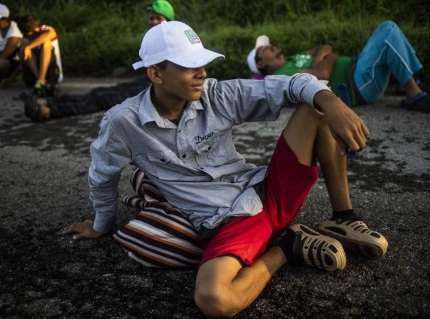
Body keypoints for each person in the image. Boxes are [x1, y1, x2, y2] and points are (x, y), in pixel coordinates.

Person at [63, 21, 388, 317]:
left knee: (313, 106)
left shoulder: (216, 94)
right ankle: (287, 247)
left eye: (201, 62)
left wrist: (331, 103)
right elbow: (102, 174)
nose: (201, 72)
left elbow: (290, 85)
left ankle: (343, 217)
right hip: (232, 222)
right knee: (214, 299)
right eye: (189, 66)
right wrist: (102, 224)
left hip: (271, 191)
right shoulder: (124, 122)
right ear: (155, 74)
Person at [21, 0, 175, 121]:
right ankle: (48, 101)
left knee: (105, 99)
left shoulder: (174, 38)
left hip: (156, 88)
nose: (153, 22)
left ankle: (50, 110)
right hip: (147, 81)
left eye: (158, 18)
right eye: (151, 18)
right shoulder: (154, 37)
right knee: (101, 92)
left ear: (168, 19)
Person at [246, 21, 430, 113]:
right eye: (263, 49)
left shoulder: (292, 58)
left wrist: (322, 57)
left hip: (359, 71)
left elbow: (323, 47)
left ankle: (408, 81)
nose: (269, 45)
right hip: (357, 86)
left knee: (388, 28)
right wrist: (328, 59)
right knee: (387, 31)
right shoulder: (284, 74)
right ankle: (413, 93)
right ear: (261, 63)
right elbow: (322, 73)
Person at [5, 14, 63, 96]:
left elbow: (51, 33)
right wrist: (11, 78)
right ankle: (39, 81)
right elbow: (21, 62)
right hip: (32, 79)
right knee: (24, 44)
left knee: (46, 43)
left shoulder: (44, 30)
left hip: (51, 75)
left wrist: (30, 46)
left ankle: (41, 80)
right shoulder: (24, 40)